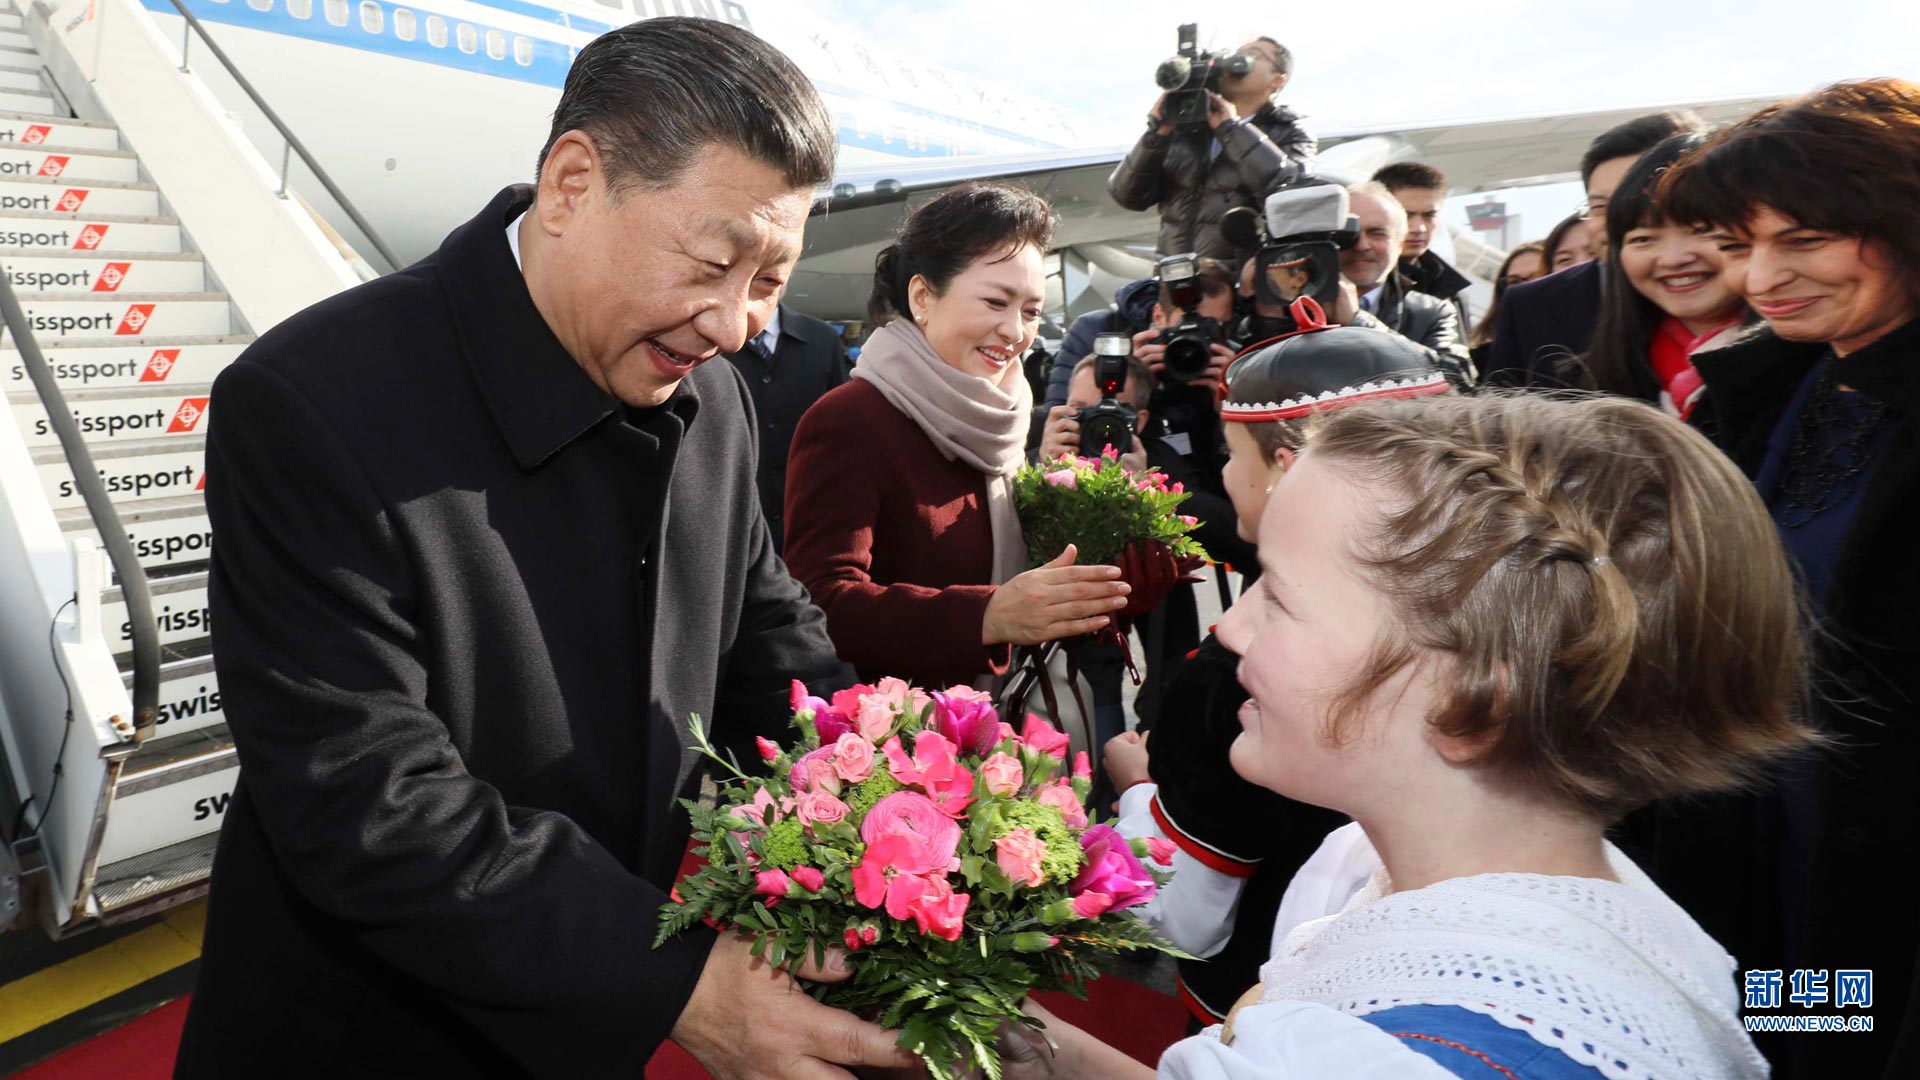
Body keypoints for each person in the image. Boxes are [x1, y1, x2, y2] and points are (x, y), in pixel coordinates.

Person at [175, 20, 920, 1080]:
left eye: (770, 282)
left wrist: (921, 810)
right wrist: (672, 982)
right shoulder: (312, 401)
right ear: (573, 184)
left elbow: (773, 650)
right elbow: (368, 797)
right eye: (715, 263)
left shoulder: (712, 400)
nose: (733, 324)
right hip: (365, 1039)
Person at [1006, 391, 1814, 1080]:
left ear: (1469, 706)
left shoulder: (1396, 1059)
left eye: (1278, 597)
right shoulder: (1365, 864)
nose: (1234, 629)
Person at [1639, 77, 1920, 1080]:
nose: (1762, 277)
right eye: (1743, 243)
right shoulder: (1767, 388)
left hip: (1887, 870)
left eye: (1803, 240)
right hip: (1770, 836)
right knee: (1800, 1039)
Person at [1103, 315, 1449, 1030]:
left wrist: (1137, 791)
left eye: (1230, 455)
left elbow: (1183, 921)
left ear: (1290, 469)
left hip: (1264, 1021)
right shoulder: (1494, 616)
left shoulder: (1235, 673)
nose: (1225, 476)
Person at [783, 182, 1132, 690]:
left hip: (998, 722)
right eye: (996, 302)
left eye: (1032, 312)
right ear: (923, 297)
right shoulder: (849, 419)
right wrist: (987, 615)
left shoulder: (1003, 418)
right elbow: (820, 602)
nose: (1015, 331)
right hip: (896, 729)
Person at [1483, 111, 1703, 387]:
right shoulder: (1531, 306)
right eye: (1600, 207)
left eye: (1640, 202)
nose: (1617, 220)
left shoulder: (1744, 290)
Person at [1571, 132, 1744, 419]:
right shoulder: (1590, 381)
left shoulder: (1810, 363)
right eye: (1644, 239)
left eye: (1702, 230)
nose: (1673, 259)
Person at [1108, 37, 1316, 262]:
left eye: (1254, 54)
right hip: (1176, 275)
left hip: (1241, 277)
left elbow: (1292, 195)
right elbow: (1128, 197)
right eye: (1237, 52)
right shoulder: (1187, 129)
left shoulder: (1290, 130)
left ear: (1276, 81)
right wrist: (1155, 136)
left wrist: (1232, 130)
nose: (1236, 58)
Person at [725, 302, 851, 553]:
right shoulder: (710, 342)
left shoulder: (823, 340)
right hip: (733, 527)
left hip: (811, 524)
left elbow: (847, 432)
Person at [1339, 181, 1474, 385]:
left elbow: (1457, 383)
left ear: (1400, 243)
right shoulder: (1293, 304)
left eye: (1377, 233)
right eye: (1349, 234)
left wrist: (1358, 321)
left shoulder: (1431, 313)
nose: (1362, 245)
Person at [1372, 161, 1473, 328]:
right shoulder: (1354, 284)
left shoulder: (1454, 294)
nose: (1419, 228)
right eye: (1406, 215)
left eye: (1429, 215)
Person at [1467, 240, 1546, 365]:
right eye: (1514, 282)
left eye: (1538, 277)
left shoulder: (1575, 346)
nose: (1524, 288)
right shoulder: (1484, 357)